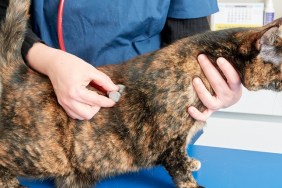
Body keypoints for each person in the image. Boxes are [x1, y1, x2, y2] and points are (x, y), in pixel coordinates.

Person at [0, 0, 242, 121]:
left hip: (144, 116)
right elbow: (5, 11)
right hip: (43, 109)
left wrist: (215, 87)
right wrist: (49, 60)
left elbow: (191, 43)